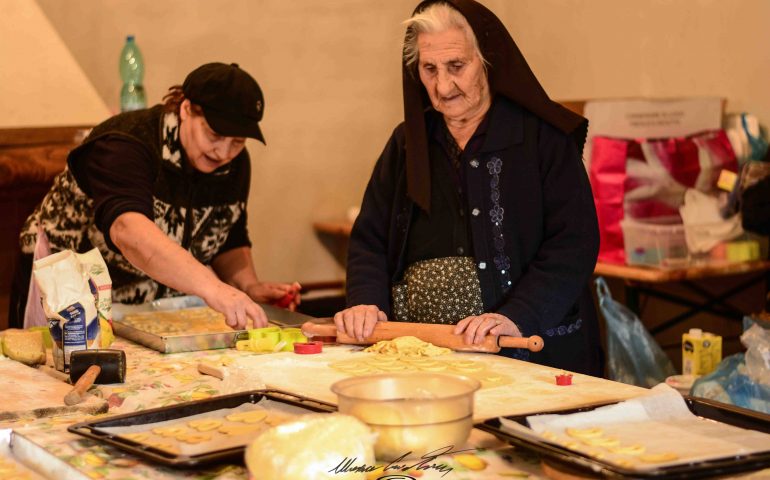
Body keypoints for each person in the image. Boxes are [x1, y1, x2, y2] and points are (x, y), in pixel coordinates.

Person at [334, 0, 602, 375]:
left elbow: (574, 243)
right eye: (429, 69)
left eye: (456, 66)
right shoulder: (408, 143)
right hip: (425, 360)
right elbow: (370, 239)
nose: (443, 85)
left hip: (528, 352)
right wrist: (366, 302)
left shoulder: (541, 139)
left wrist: (517, 316)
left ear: (486, 61)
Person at [12, 62, 299, 330]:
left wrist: (247, 286)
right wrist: (215, 288)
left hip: (154, 313)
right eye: (214, 135)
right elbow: (130, 233)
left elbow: (228, 236)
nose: (224, 153)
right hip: (69, 294)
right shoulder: (127, 143)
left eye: (237, 142)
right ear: (187, 109)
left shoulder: (233, 163)